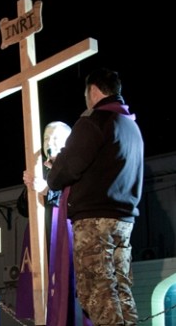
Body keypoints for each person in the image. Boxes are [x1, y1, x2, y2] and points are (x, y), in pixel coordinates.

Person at [47, 68, 143, 325]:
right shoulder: (131, 127)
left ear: (93, 91)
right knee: (120, 289)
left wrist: (55, 166)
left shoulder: (95, 121)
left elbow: (66, 170)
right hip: (124, 222)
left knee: (96, 291)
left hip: (95, 221)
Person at [19, 121, 92, 326]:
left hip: (67, 244)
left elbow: (72, 198)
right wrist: (29, 190)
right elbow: (23, 209)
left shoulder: (75, 167)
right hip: (42, 245)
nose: (49, 142)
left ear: (68, 142)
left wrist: (46, 191)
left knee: (68, 297)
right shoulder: (41, 169)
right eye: (45, 138)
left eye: (55, 138)